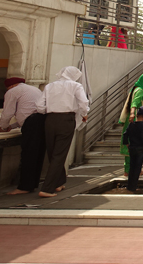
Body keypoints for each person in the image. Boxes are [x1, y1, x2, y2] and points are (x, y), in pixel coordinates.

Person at [36, 66, 89, 198]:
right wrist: (84, 114)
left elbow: (39, 106)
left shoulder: (49, 86)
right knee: (59, 154)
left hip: (50, 119)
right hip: (66, 119)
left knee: (53, 151)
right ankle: (47, 188)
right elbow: (83, 102)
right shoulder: (75, 86)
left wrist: (49, 112)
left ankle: (58, 182)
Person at [0, 77, 45, 195]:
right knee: (37, 154)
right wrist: (12, 126)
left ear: (10, 86)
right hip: (42, 121)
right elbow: (26, 111)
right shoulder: (34, 90)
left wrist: (4, 127)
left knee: (28, 154)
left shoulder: (12, 92)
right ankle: (32, 184)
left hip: (31, 124)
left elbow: (8, 112)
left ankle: (24, 187)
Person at [118, 71, 143, 178]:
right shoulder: (139, 91)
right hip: (138, 121)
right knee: (137, 144)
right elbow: (134, 103)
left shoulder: (136, 89)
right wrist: (133, 113)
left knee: (133, 145)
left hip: (138, 119)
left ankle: (130, 169)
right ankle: (133, 170)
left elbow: (140, 103)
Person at [125, 106, 143, 192]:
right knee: (137, 167)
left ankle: (129, 186)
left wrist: (128, 145)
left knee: (132, 167)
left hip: (132, 147)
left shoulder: (131, 125)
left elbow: (125, 135)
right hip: (140, 148)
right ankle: (133, 187)